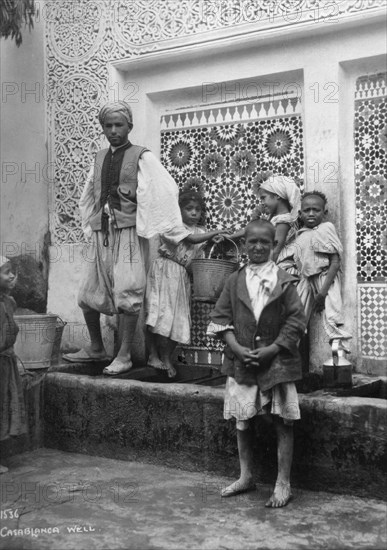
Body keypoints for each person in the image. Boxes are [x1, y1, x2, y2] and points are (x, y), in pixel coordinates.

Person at [63, 101, 182, 375]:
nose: (113, 130)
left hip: (128, 232)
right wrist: (89, 225)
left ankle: (125, 354)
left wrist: (152, 226)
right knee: (86, 293)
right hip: (101, 232)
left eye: (119, 125)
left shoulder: (142, 156)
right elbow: (89, 195)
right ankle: (96, 347)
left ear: (130, 126)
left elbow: (163, 191)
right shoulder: (99, 157)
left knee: (129, 292)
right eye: (108, 125)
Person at [207, 220, 306, 507]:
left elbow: (296, 321)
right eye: (253, 242)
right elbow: (220, 318)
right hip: (243, 363)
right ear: (245, 245)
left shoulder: (284, 280)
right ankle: (246, 475)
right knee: (243, 419)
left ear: (274, 244)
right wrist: (237, 348)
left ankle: (283, 483)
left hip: (277, 363)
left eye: (266, 242)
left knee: (282, 420)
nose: (259, 247)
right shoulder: (234, 280)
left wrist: (273, 348)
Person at [145, 191, 228, 378]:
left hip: (182, 276)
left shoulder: (200, 232)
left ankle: (166, 357)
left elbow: (198, 254)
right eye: (189, 209)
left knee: (179, 319)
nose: (194, 213)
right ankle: (153, 354)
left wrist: (213, 239)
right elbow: (190, 239)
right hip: (165, 271)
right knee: (158, 313)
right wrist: (213, 233)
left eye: (198, 210)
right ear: (179, 209)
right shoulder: (172, 225)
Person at [293, 191, 351, 342]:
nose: (311, 214)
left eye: (316, 210)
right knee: (296, 317)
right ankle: (289, 353)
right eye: (307, 210)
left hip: (326, 277)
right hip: (306, 280)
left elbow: (335, 262)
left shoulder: (326, 228)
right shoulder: (301, 234)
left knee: (332, 317)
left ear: (324, 212)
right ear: (300, 213)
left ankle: (339, 355)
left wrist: (323, 292)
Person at [0, 256, 27, 473]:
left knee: (4, 404)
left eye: (12, 271)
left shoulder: (9, 303)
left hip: (5, 362)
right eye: (6, 271)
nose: (12, 276)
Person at [257, 174, 301, 270]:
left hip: (282, 268)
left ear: (277, 196)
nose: (262, 203)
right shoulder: (275, 219)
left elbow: (276, 250)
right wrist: (231, 236)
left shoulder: (283, 222)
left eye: (263, 198)